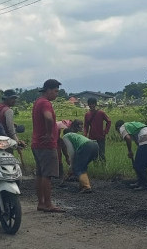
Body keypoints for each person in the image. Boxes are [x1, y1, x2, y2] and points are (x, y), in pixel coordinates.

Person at [31, 79, 65, 213]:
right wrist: (50, 133)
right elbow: (49, 118)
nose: (56, 94)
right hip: (46, 145)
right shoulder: (45, 103)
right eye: (56, 91)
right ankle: (48, 204)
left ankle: (41, 203)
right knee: (47, 175)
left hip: (37, 144)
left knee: (40, 174)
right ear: (49, 90)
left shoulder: (38, 102)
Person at [115, 119, 147, 191]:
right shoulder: (132, 125)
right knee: (142, 164)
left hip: (146, 140)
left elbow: (128, 138)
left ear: (117, 128)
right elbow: (137, 142)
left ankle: (145, 185)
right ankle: (140, 182)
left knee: (138, 165)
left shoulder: (122, 127)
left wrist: (130, 151)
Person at [61, 120, 99, 193]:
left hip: (87, 146)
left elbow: (71, 152)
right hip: (95, 145)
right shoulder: (76, 136)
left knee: (78, 168)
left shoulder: (66, 137)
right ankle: (82, 185)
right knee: (82, 167)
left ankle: (86, 187)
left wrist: (72, 165)